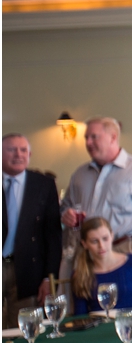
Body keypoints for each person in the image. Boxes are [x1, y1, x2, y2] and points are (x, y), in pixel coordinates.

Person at [60, 117, 132, 266]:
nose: (88, 143)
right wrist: (66, 215)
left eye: (94, 137)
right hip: (87, 254)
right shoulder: (80, 174)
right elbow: (65, 207)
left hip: (126, 249)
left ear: (113, 137)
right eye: (86, 138)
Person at [2, 134, 62, 328]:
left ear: (30, 154)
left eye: (23, 150)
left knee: (22, 329)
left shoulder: (43, 184)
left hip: (28, 268)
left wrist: (48, 277)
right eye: (12, 149)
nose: (18, 154)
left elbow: (52, 236)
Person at [72, 217, 132, 315]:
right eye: (94, 241)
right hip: (98, 327)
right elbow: (80, 316)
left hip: (131, 323)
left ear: (112, 236)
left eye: (105, 239)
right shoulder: (80, 274)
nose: (101, 246)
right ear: (84, 244)